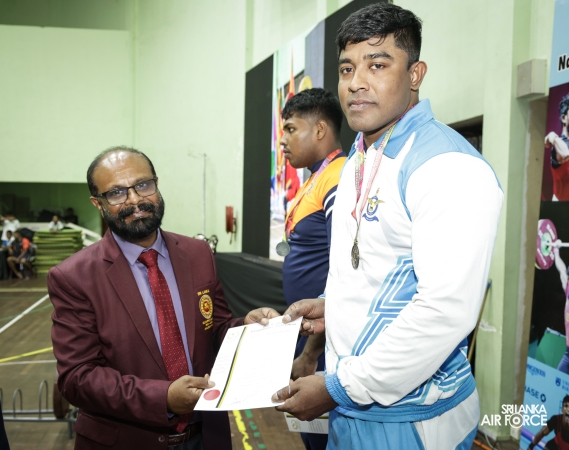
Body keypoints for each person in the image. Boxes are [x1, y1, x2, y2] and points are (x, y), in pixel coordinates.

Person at [262, 4, 503, 449]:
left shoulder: (448, 166)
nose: (356, 82)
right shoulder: (360, 156)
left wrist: (338, 387)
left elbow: (443, 312)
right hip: (354, 403)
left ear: (415, 74)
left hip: (414, 418)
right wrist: (331, 307)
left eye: (377, 65)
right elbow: (375, 268)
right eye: (347, 68)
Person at [48, 146, 279, 450]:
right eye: (116, 193)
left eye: (143, 185)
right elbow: (77, 378)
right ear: (98, 204)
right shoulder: (74, 277)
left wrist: (246, 326)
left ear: (156, 184)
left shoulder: (197, 254)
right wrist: (163, 398)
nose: (135, 200)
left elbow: (215, 328)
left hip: (206, 436)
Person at [279, 88, 345, 450]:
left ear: (320, 130)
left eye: (291, 129)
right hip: (311, 334)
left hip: (326, 342)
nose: (283, 141)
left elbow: (344, 277)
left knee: (324, 438)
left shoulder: (337, 177)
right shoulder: (316, 178)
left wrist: (310, 354)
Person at [545, 93, 569, 201]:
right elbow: (565, 154)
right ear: (564, 118)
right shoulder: (560, 144)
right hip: (560, 207)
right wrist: (552, 136)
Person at [553, 240, 569, 373]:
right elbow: (562, 270)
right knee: (557, 377)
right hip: (568, 353)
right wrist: (556, 252)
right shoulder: (568, 289)